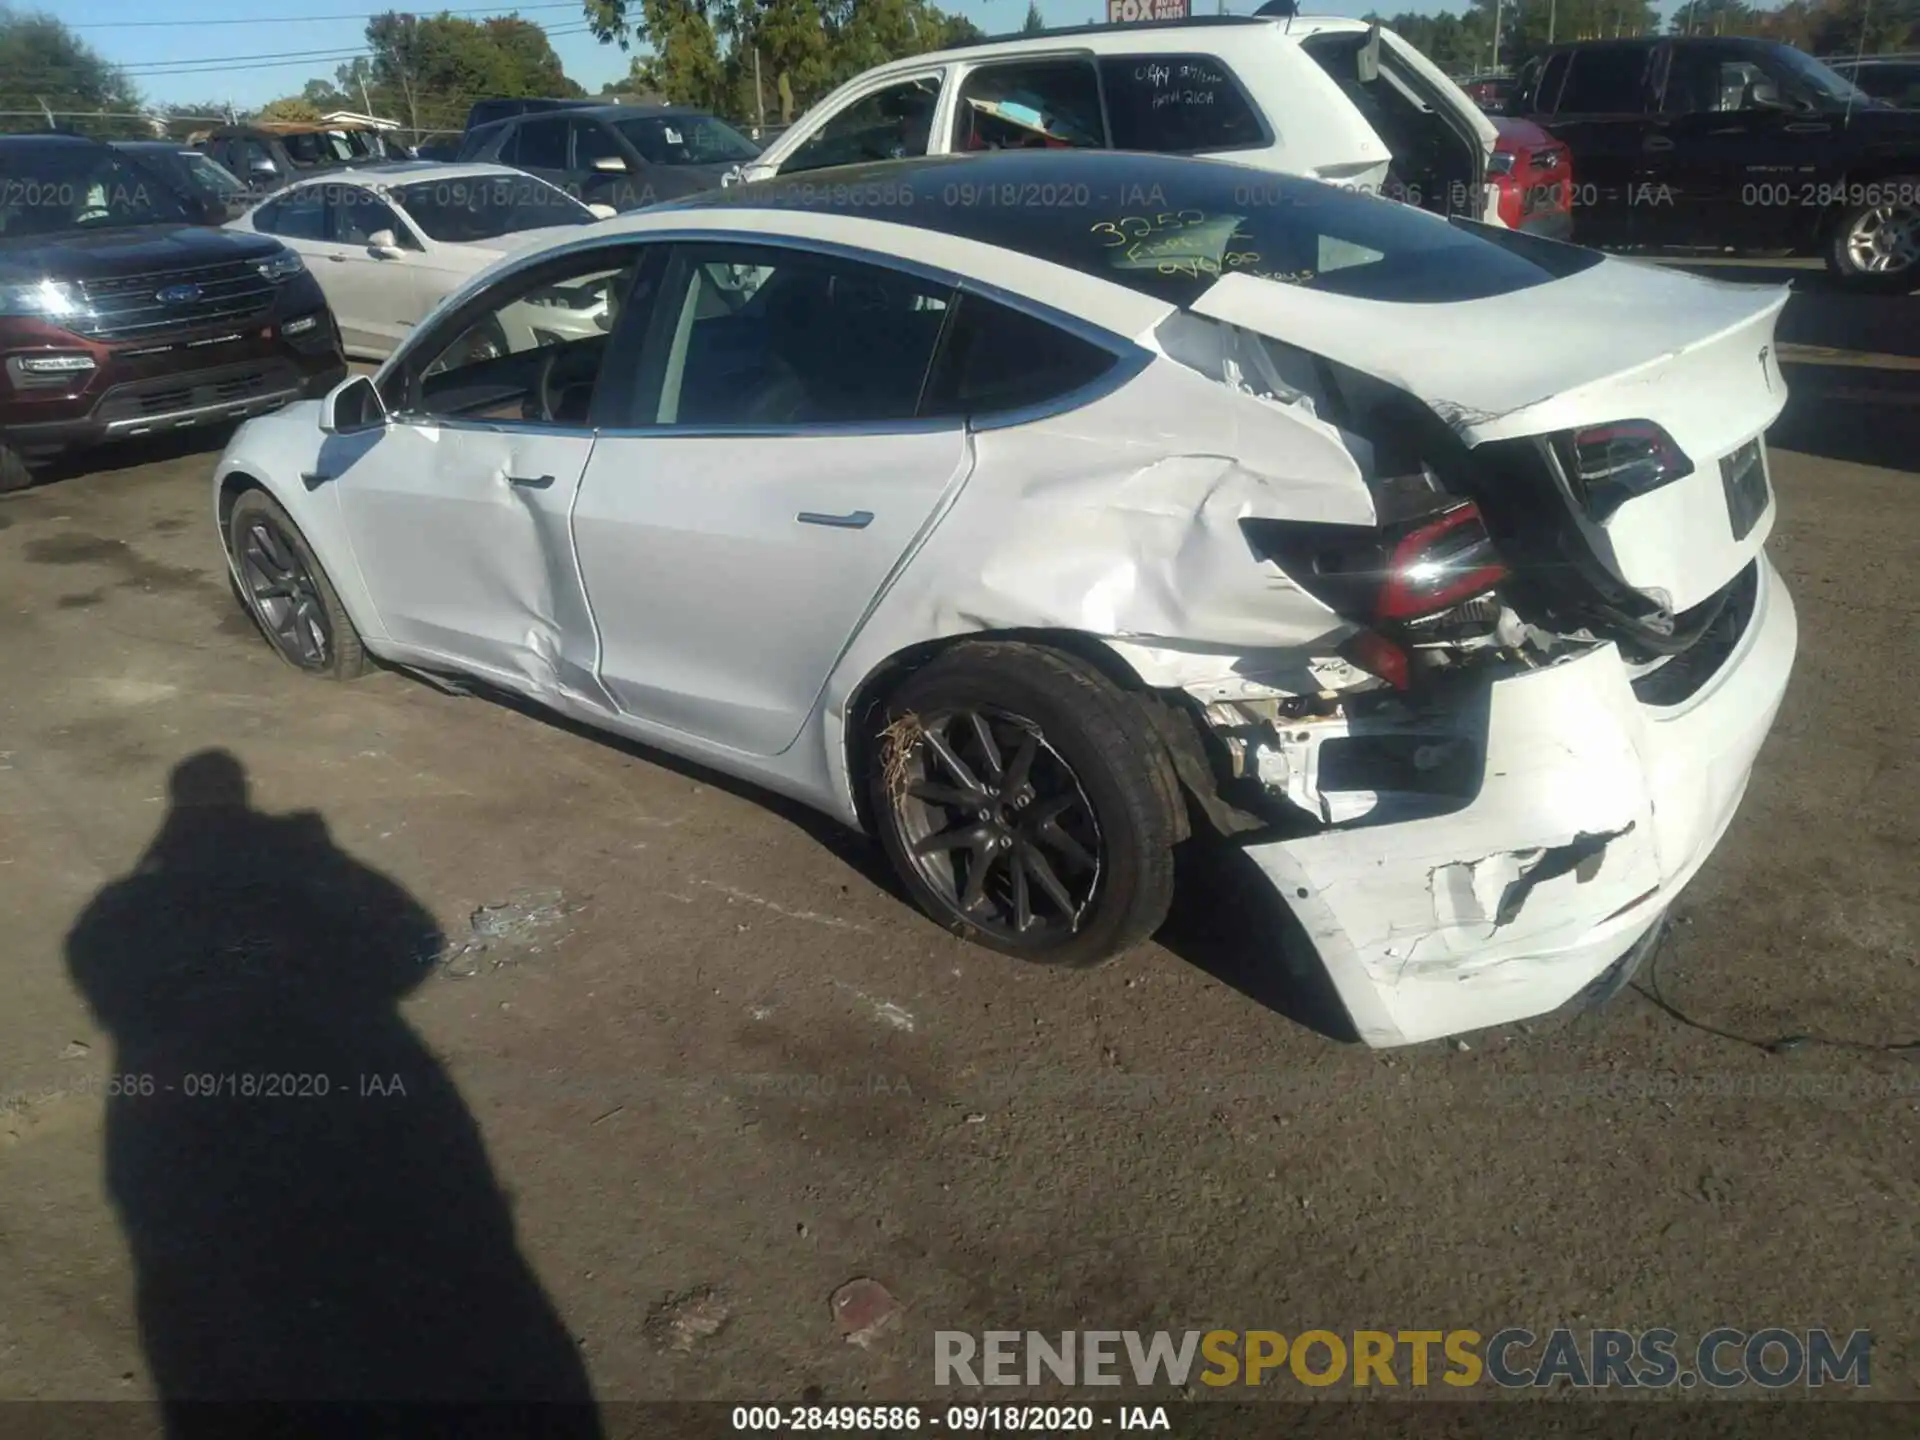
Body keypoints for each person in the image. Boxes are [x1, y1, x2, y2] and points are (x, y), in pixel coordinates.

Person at [66, 750, 601, 1434]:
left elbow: (98, 977)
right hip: (323, 1099)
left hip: (186, 1134)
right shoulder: (272, 872)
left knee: (230, 1302)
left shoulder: (118, 907)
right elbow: (418, 938)